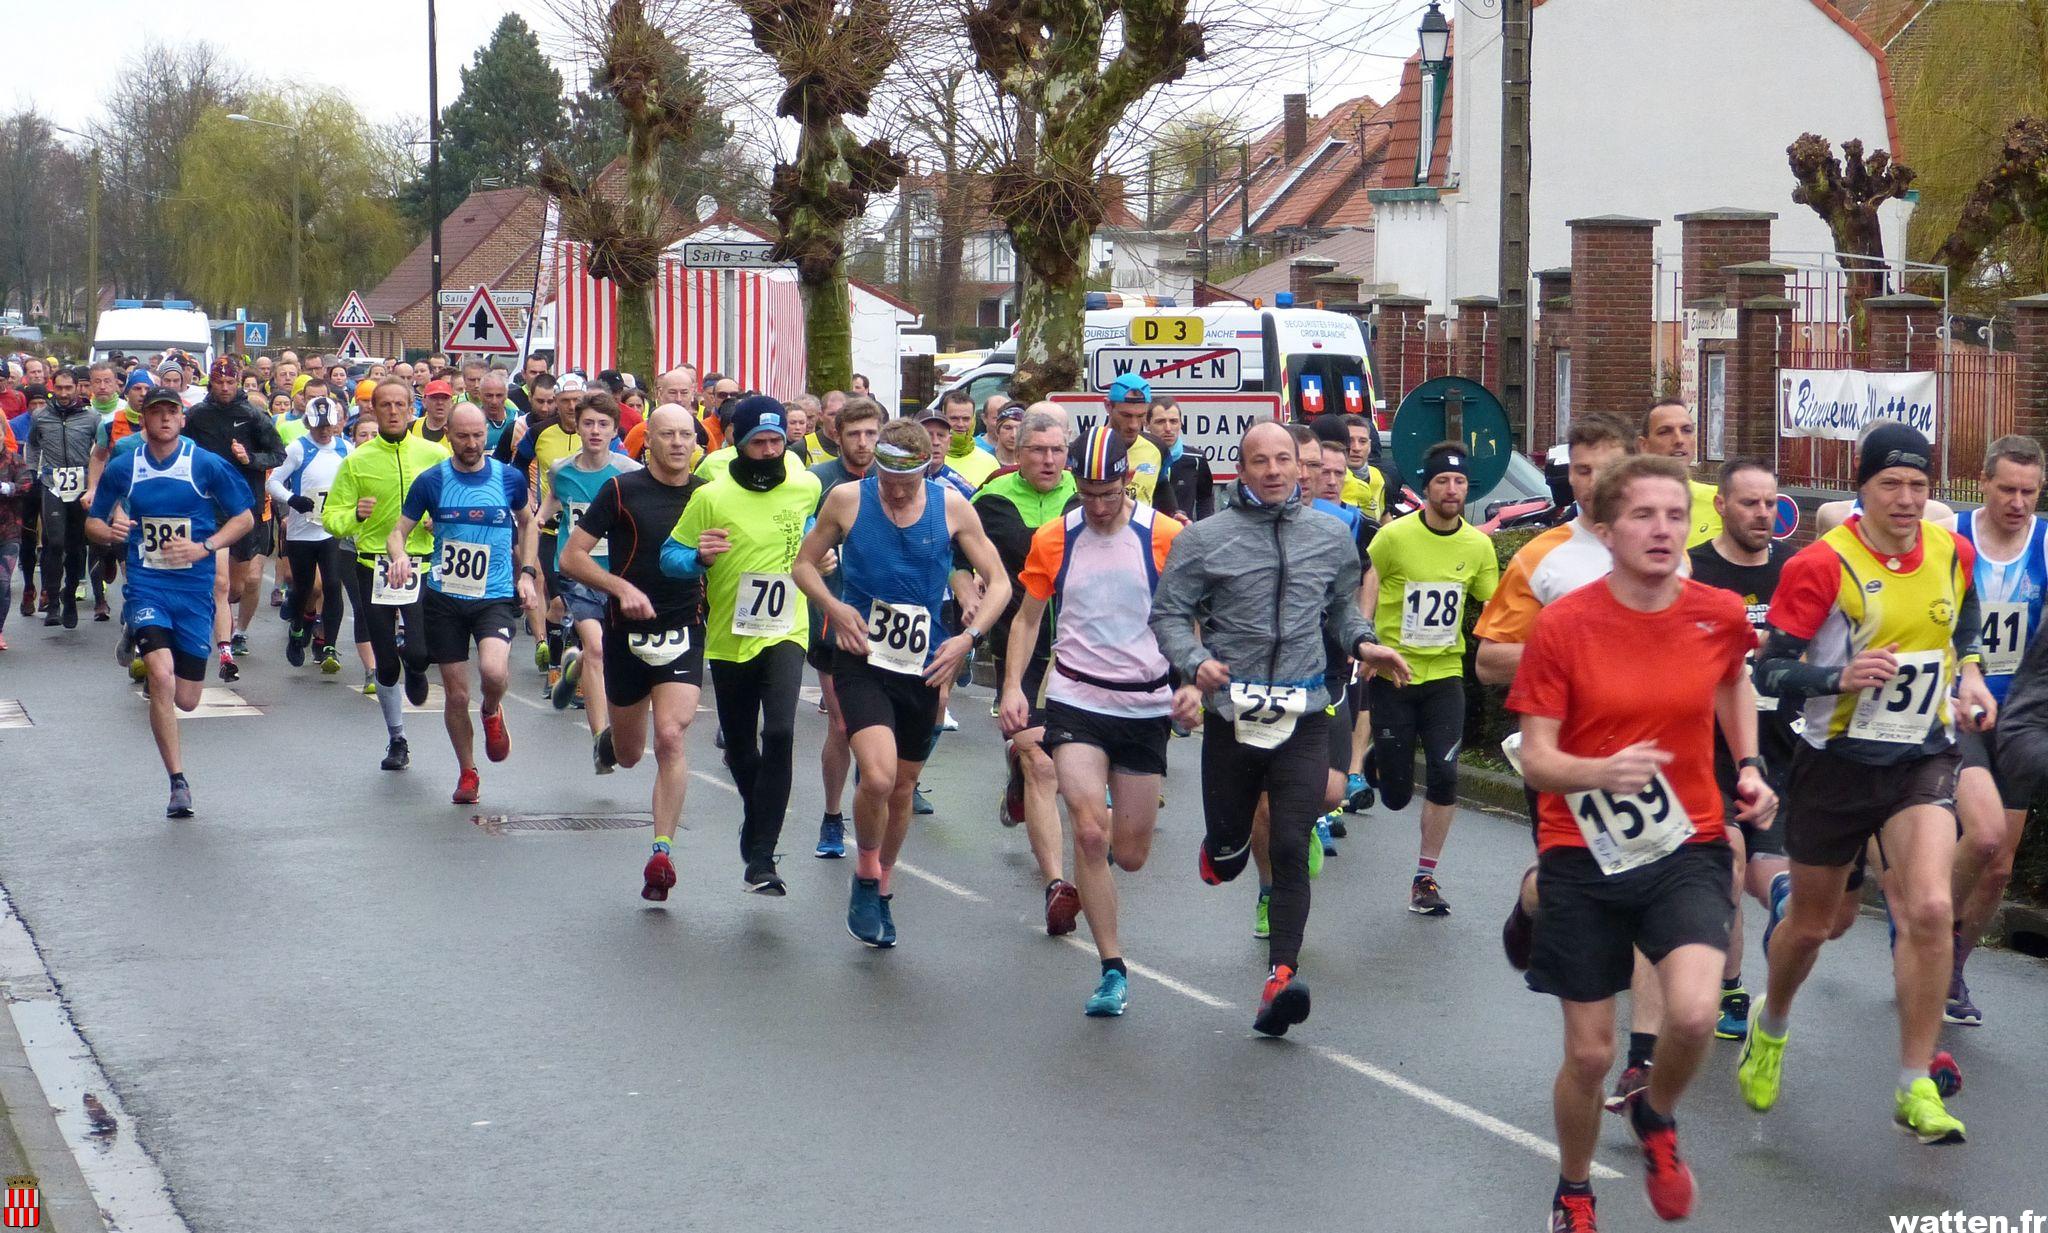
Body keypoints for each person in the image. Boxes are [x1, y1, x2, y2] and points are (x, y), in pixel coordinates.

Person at [1510, 453, 1774, 1231]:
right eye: (1642, 516)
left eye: (1674, 516)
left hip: (1685, 839)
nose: (1663, 530)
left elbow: (1733, 679)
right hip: (1581, 850)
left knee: (1693, 1015)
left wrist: (1750, 765)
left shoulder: (1717, 611)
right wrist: (1602, 769)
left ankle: (1656, 1116)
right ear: (1604, 528)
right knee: (1590, 1056)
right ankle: (1575, 1188)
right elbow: (1539, 756)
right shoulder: (1564, 626)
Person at [1742, 421, 1993, 1146]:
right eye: (1892, 484)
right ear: (1863, 488)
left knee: (1931, 904)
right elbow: (1770, 672)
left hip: (1921, 755)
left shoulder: (1953, 550)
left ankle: (1914, 1082)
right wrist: (1838, 676)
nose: (1908, 498)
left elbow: (1965, 615)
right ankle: (1774, 1022)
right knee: (1818, 924)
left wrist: (1969, 670)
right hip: (1837, 760)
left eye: (1920, 485)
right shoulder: (1822, 566)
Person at [1149, 421, 1405, 1035]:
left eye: (1283, 460)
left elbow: (1341, 607)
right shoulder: (1207, 539)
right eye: (1258, 461)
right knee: (1233, 854)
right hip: (1232, 716)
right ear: (1240, 470)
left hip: (1305, 711)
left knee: (1291, 844)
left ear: (1301, 468)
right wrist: (1193, 662)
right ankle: (1222, 847)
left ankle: (1280, 977)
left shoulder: (1330, 536)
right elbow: (1168, 614)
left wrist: (1365, 644)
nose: (1272, 470)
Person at [794, 418, 1009, 947]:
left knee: (905, 788)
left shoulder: (953, 506)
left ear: (925, 470)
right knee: (880, 777)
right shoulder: (847, 499)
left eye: (905, 481)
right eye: (885, 476)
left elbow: (1001, 582)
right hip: (861, 655)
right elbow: (802, 567)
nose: (893, 489)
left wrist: (969, 639)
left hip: (925, 662)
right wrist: (835, 607)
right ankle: (865, 873)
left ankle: (883, 885)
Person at [1001, 427, 1180, 1015]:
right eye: (1088, 493)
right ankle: (1111, 969)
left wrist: (1193, 685)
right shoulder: (1056, 538)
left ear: (1128, 480)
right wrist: (1012, 688)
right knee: (1088, 829)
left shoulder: (1165, 537)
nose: (1098, 506)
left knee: (1128, 854)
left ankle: (1093, 872)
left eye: (1108, 493)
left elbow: (1193, 615)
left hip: (1145, 704)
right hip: (1077, 700)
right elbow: (1027, 619)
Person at [662, 396, 823, 893]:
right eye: (760, 442)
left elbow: (813, 532)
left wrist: (820, 556)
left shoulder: (806, 483)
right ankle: (757, 817)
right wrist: (699, 561)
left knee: (779, 733)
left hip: (786, 628)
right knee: (739, 748)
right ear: (739, 442)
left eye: (779, 441)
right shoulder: (712, 494)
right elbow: (671, 555)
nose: (771, 449)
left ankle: (762, 857)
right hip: (730, 635)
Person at [560, 403, 709, 900]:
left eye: (686, 435)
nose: (677, 443)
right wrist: (618, 588)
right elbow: (572, 556)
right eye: (666, 434)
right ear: (648, 441)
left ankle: (661, 852)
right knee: (626, 755)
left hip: (683, 629)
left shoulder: (708, 495)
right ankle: (593, 703)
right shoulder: (622, 489)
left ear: (697, 441)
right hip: (626, 634)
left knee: (669, 736)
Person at [85, 386, 256, 817]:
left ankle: (135, 632)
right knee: (159, 677)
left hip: (194, 591)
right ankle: (177, 782)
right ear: (143, 420)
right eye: (156, 412)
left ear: (182, 419)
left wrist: (206, 547)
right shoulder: (125, 467)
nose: (163, 419)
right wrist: (107, 533)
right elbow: (92, 522)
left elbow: (244, 517)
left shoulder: (205, 465)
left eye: (171, 412)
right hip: (147, 584)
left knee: (188, 700)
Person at [1681, 459, 1798, 1042]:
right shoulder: (1694, 572)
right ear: (1721, 505)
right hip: (1708, 744)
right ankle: (1730, 988)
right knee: (1725, 859)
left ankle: (1782, 907)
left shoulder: (1795, 571)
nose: (1762, 513)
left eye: (1771, 502)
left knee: (1772, 872)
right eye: (1750, 503)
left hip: (1777, 742)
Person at [1363, 441, 1499, 916]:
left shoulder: (1479, 545)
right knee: (1397, 795)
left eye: (1459, 481)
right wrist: (1363, 640)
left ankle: (1426, 878)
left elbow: (1492, 606)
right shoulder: (1394, 537)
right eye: (1443, 480)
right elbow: (1370, 582)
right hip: (1392, 675)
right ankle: (1378, 756)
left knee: (1444, 775)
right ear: (1426, 488)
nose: (1452, 488)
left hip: (1445, 675)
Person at [384, 405, 536, 805]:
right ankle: (468, 772)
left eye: (478, 436)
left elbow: (529, 522)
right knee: (454, 696)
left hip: (495, 594)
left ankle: (491, 710)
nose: (472, 445)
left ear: (487, 434)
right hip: (445, 598)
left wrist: (529, 572)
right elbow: (398, 531)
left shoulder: (509, 478)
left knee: (493, 670)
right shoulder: (432, 481)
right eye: (463, 437)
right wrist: (399, 556)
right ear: (448, 434)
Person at [1947, 434, 2047, 1026]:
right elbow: (1838, 511)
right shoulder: (1950, 532)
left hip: (2019, 722)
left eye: (2029, 492)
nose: (2017, 502)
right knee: (1979, 838)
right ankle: (1927, 938)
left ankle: (1953, 969)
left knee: (2001, 866)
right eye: (2006, 489)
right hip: (1956, 712)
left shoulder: (2046, 544)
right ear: (1982, 482)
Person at [967, 411, 1079, 931]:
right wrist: (964, 589)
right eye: (1038, 450)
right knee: (1044, 766)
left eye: (1057, 450)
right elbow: (951, 548)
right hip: (1021, 645)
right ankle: (1057, 883)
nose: (1049, 460)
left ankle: (1017, 766)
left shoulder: (1091, 497)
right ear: (1018, 450)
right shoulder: (991, 498)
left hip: (1084, 652)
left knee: (1062, 765)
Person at [322, 379, 447, 770]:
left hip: (420, 562)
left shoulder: (433, 454)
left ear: (412, 409)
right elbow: (331, 516)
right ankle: (397, 739)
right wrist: (353, 516)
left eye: (400, 404)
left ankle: (417, 665)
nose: (393, 411)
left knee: (419, 650)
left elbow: (454, 502)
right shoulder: (357, 460)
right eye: (385, 405)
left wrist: (436, 522)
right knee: (385, 665)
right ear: (373, 410)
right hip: (373, 564)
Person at [528, 392, 640, 763]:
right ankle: (600, 741)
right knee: (596, 647)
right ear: (577, 425)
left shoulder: (628, 473)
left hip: (618, 573)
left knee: (612, 654)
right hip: (576, 572)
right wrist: (540, 517)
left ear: (614, 431)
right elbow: (553, 501)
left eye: (603, 425)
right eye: (588, 423)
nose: (595, 431)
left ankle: (573, 666)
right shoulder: (561, 470)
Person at [805, 397, 884, 859]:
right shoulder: (817, 481)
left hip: (890, 620)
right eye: (854, 434)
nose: (863, 443)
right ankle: (833, 816)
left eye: (871, 433)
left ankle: (874, 790)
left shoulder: (897, 478)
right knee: (842, 723)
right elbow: (797, 534)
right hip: (835, 617)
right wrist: (818, 552)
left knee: (884, 725)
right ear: (837, 434)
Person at [184, 357, 286, 679]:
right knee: (221, 582)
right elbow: (182, 448)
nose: (225, 388)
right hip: (207, 505)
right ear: (210, 383)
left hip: (243, 505)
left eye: (231, 382)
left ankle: (222, 617)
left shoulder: (253, 415)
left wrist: (250, 458)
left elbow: (278, 454)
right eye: (219, 382)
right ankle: (223, 648)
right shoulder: (198, 415)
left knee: (239, 587)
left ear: (239, 381)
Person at [267, 395, 353, 673]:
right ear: (308, 424)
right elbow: (273, 482)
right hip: (302, 531)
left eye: (329, 425)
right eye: (319, 427)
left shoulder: (346, 449)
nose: (325, 431)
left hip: (331, 530)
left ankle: (329, 643)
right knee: (304, 589)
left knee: (331, 585)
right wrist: (292, 499)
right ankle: (298, 628)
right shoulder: (298, 449)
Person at [24, 366, 97, 629]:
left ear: (78, 387)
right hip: (52, 484)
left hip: (80, 487)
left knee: (77, 545)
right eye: (60, 388)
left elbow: (100, 450)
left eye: (69, 388)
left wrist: (95, 481)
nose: (64, 393)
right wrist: (32, 472)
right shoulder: (41, 416)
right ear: (52, 387)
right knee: (53, 542)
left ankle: (70, 595)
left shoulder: (91, 418)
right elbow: (31, 445)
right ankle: (52, 600)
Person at [1636, 397, 1720, 549]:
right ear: (1644, 445)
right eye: (1665, 432)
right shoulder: (1626, 503)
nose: (1679, 440)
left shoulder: (1719, 502)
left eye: (1687, 430)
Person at [1102, 374, 1176, 517]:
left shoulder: (1157, 448)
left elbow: (1161, 487)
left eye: (1141, 416)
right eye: (1126, 415)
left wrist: (1175, 513)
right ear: (1108, 406)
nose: (1134, 425)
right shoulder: (1088, 448)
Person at [1150, 397, 1215, 521]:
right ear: (1146, 424)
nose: (1168, 428)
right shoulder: (1135, 457)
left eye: (1173, 421)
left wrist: (1202, 529)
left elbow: (1206, 497)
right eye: (1160, 422)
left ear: (1181, 424)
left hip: (1182, 535)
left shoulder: (1196, 458)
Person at [0, 434, 31, 650]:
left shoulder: (14, 460)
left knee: (1, 582)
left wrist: (7, 487)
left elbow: (27, 484)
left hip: (8, 530)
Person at [936, 389, 998, 488]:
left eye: (966, 419)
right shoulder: (931, 459)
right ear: (943, 419)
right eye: (954, 418)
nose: (960, 424)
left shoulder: (990, 462)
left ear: (973, 420)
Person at [411, 379, 457, 445]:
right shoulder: (410, 429)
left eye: (445, 398)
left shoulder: (459, 431)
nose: (440, 402)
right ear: (424, 402)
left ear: (452, 403)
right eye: (434, 398)